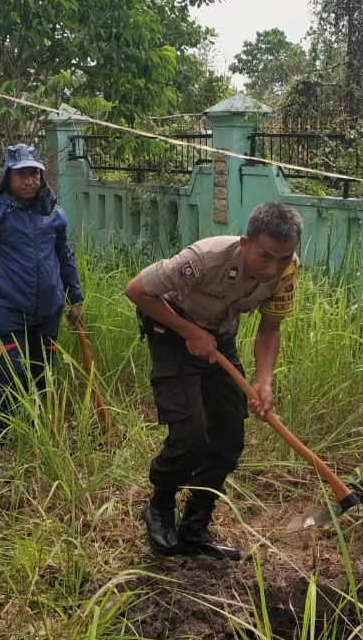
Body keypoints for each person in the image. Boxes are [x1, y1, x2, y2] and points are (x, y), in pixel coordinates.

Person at [124, 202, 302, 560]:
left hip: (219, 338)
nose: (273, 268)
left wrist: (263, 382)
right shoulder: (205, 259)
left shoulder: (286, 271)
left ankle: (195, 526)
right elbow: (137, 290)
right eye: (265, 257)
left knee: (229, 435)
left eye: (283, 258)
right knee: (190, 434)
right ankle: (159, 506)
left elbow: (270, 327)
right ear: (244, 243)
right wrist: (189, 332)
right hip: (171, 330)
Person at [0, 144, 84, 417]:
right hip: (8, 309)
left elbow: (64, 256)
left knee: (43, 372)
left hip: (48, 309)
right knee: (10, 372)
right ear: (8, 176)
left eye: (34, 174)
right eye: (22, 174)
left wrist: (75, 297)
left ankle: (37, 432)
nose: (29, 181)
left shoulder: (54, 215)